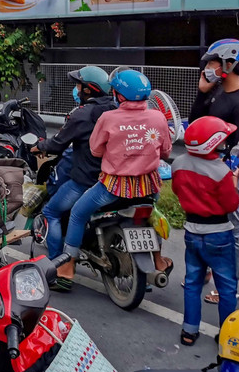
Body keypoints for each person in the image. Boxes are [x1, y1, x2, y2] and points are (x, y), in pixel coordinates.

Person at [62, 70, 172, 265]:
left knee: (78, 213)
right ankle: (158, 259)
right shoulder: (158, 118)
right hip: (148, 187)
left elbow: (95, 150)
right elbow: (166, 152)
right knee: (151, 215)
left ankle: (68, 266)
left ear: (119, 95)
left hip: (114, 188)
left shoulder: (108, 118)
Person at [34, 66, 116, 291]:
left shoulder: (82, 115)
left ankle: (58, 267)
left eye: (79, 85)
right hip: (119, 179)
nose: (76, 89)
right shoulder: (118, 109)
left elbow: (57, 143)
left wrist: (38, 146)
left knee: (51, 211)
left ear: (88, 90)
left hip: (86, 181)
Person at [188, 38, 239, 305]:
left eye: (213, 63)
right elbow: (196, 122)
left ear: (230, 64)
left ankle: (230, 284)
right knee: (207, 222)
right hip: (210, 168)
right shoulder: (217, 90)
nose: (208, 67)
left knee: (232, 228)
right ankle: (205, 273)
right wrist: (203, 90)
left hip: (231, 172)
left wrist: (234, 174)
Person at [172, 116, 239, 346]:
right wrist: (233, 181)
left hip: (192, 232)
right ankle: (227, 334)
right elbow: (231, 206)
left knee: (193, 281)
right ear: (214, 144)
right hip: (219, 234)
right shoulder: (221, 171)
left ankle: (189, 331)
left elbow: (176, 189)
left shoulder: (178, 163)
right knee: (227, 287)